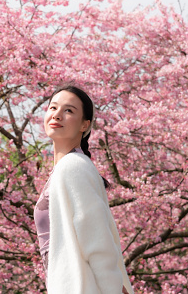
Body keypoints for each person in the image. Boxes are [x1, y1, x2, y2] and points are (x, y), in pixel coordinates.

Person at [34, 85, 134, 293]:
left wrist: (114, 289)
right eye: (53, 108)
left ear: (84, 125)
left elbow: (97, 242)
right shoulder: (66, 169)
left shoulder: (74, 166)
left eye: (69, 110)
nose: (57, 115)